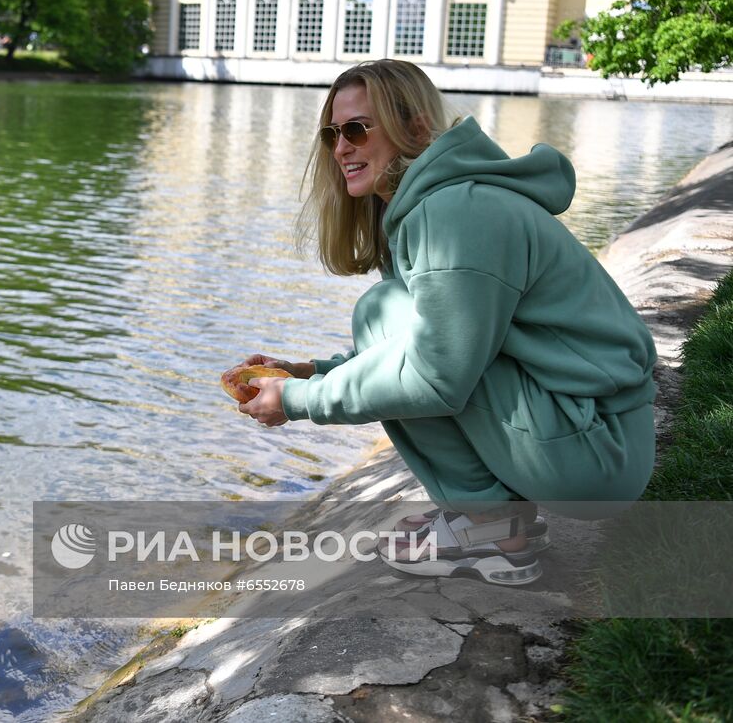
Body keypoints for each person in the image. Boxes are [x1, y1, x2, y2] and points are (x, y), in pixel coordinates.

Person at [222, 59, 656, 586]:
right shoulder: (438, 205)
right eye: (332, 133)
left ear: (417, 128)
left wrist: (296, 402)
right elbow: (443, 346)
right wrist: (309, 371)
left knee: (380, 312)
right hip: (583, 435)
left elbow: (435, 375)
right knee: (388, 314)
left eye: (357, 129)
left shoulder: (454, 215)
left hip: (595, 454)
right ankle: (488, 515)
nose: (341, 148)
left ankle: (490, 528)